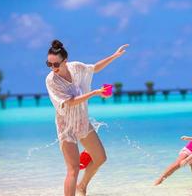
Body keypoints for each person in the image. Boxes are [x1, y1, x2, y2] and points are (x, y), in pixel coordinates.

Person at [45, 39, 129, 196]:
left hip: (82, 121)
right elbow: (69, 102)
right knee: (73, 169)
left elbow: (94, 68)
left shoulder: (76, 67)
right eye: (49, 64)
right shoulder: (51, 80)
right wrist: (95, 93)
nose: (52, 68)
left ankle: (82, 186)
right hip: (66, 126)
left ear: (65, 61)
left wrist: (115, 55)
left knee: (100, 158)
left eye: (56, 64)